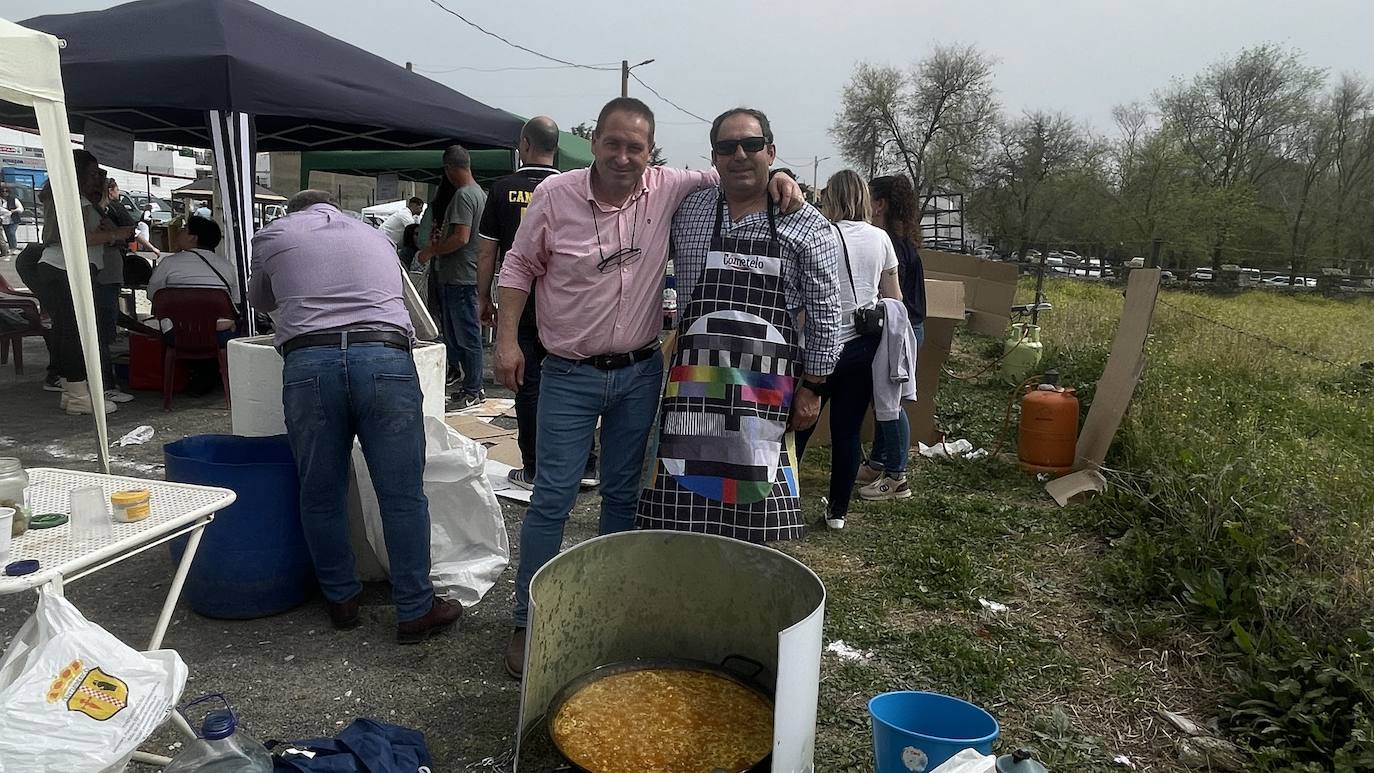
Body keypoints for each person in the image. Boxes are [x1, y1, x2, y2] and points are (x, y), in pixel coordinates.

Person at [494, 97, 803, 678]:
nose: (623, 156)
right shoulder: (556, 196)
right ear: (593, 142)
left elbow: (738, 165)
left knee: (621, 497)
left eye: (636, 147)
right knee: (553, 499)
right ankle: (527, 621)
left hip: (639, 374)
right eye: (612, 143)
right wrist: (506, 342)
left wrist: (781, 175)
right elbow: (517, 269)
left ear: (650, 152)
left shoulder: (667, 188)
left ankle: (608, 612)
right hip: (567, 374)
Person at [249, 189, 461, 644]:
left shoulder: (273, 234)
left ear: (294, 211)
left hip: (310, 364)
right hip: (385, 357)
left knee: (321, 492)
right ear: (335, 209)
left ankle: (341, 600)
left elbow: (261, 299)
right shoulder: (374, 235)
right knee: (402, 495)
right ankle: (415, 609)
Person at [637, 107, 841, 543]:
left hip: (765, 399)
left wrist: (815, 387)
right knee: (682, 517)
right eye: (728, 147)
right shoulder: (689, 211)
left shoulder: (807, 226)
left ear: (771, 151)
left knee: (754, 520)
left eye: (751, 145)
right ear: (714, 158)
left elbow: (828, 314)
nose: (740, 155)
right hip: (692, 395)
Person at [476, 116, 598, 491]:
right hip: (568, 303)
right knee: (579, 384)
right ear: (556, 147)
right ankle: (588, 464)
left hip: (521, 303)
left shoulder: (502, 189)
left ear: (524, 145)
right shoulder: (574, 187)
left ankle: (533, 468)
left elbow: (486, 252)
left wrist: (483, 297)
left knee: (528, 386)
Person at [794, 170, 902, 529]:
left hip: (819, 347)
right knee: (847, 431)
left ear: (833, 198)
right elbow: (894, 299)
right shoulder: (881, 239)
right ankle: (838, 512)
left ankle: (784, 497)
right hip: (863, 346)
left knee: (800, 426)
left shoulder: (819, 235)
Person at [29, 150, 131, 415]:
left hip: (55, 267)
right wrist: (114, 234)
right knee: (75, 333)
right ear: (79, 173)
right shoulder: (76, 200)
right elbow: (82, 238)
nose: (99, 179)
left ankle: (70, 391)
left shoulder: (62, 197)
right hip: (69, 269)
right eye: (95, 173)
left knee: (65, 331)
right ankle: (77, 394)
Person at [856, 175, 928, 499]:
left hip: (900, 331)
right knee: (885, 400)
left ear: (880, 205)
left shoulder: (886, 242)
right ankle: (878, 462)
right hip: (908, 328)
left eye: (867, 198)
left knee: (891, 403)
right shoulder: (901, 238)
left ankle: (897, 477)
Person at [416, 146, 487, 408]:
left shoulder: (463, 197)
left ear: (448, 168)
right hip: (469, 275)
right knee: (466, 335)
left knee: (466, 336)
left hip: (460, 277)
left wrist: (431, 250)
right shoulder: (481, 194)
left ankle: (473, 389)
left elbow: (461, 237)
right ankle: (472, 386)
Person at [96, 175, 136, 404]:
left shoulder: (103, 209)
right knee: (103, 329)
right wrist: (114, 236)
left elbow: (129, 233)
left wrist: (115, 235)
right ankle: (105, 385)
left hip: (106, 272)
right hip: (104, 274)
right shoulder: (99, 208)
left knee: (105, 325)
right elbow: (127, 232)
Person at [0, 184, 22, 256]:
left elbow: (21, 209)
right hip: (4, 220)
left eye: (6, 191)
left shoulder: (14, 199)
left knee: (11, 233)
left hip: (13, 220)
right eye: (3, 191)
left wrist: (14, 210)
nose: (5, 192)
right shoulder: (0, 201)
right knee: (8, 234)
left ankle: (14, 248)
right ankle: (10, 248)